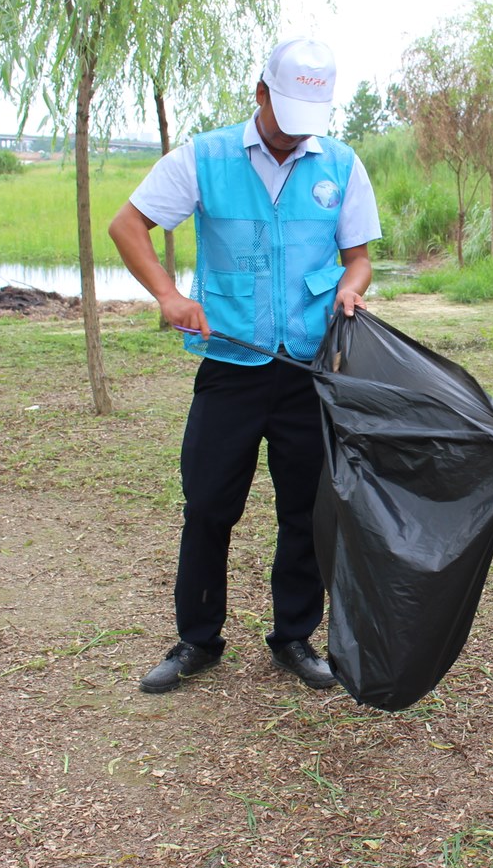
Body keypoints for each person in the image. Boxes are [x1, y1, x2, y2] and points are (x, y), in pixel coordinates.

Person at [109, 38, 381, 694]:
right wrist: (169, 296)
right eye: (287, 116)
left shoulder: (340, 165)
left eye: (309, 122)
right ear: (260, 94)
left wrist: (351, 289)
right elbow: (127, 225)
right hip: (230, 365)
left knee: (304, 510)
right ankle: (197, 640)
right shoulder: (204, 158)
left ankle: (294, 638)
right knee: (207, 505)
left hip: (308, 369)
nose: (296, 135)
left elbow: (359, 258)